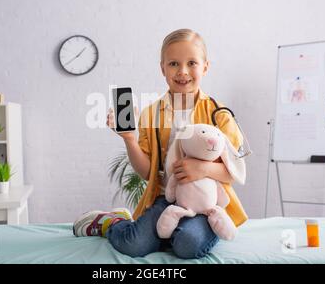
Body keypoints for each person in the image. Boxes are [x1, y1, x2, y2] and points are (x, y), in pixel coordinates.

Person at [73, 29, 248, 259]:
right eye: (174, 63)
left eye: (192, 63)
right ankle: (111, 222)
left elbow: (233, 172)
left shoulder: (219, 114)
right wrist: (129, 139)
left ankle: (179, 233)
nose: (183, 71)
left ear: (205, 66)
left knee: (188, 245)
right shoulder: (151, 113)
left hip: (206, 205)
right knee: (133, 245)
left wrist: (203, 169)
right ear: (162, 68)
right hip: (166, 200)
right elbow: (148, 172)